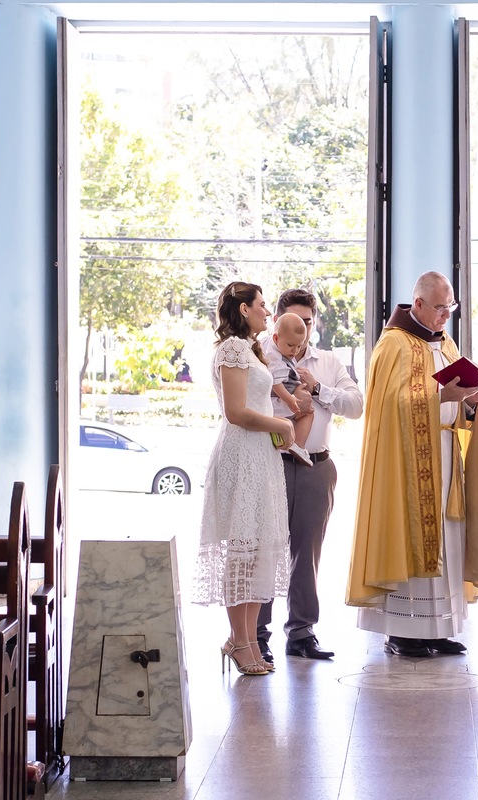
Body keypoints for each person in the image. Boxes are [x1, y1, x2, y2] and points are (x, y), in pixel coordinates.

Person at [346, 271, 478, 657]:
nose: (446, 316)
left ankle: (438, 629)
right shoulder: (393, 343)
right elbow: (389, 405)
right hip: (406, 465)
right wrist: (440, 396)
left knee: (447, 539)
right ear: (417, 304)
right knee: (412, 536)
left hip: (446, 456)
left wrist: (469, 400)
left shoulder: (445, 342)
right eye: (439, 308)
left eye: (450, 307)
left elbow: (453, 400)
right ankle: (403, 631)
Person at [255, 288, 364, 661]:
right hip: (271, 464)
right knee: (265, 551)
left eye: (308, 322)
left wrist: (318, 389)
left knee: (307, 554)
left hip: (317, 467)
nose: (302, 329)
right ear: (277, 321)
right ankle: (257, 635)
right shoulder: (260, 356)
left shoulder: (328, 362)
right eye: (296, 320)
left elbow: (356, 406)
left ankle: (302, 633)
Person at [193, 281, 294, 677]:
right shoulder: (232, 349)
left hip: (259, 456)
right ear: (243, 309)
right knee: (242, 552)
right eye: (262, 305)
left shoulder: (248, 349)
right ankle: (241, 641)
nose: (268, 312)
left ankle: (245, 640)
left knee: (258, 551)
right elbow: (235, 412)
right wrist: (281, 424)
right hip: (241, 456)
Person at [267, 313, 316, 468]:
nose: (295, 350)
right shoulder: (275, 357)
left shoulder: (277, 349)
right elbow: (276, 383)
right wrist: (290, 399)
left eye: (299, 346)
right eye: (290, 345)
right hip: (285, 392)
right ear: (276, 338)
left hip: (288, 390)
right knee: (308, 413)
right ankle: (299, 445)